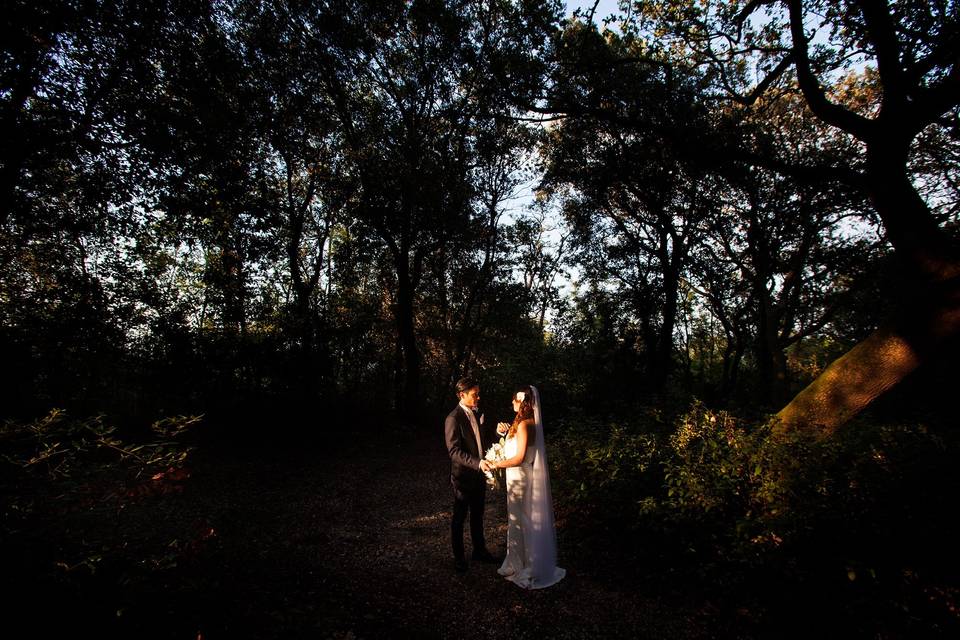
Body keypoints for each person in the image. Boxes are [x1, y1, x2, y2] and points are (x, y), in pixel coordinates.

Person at [488, 385, 565, 589]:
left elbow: (520, 457)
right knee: (519, 520)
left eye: (514, 400)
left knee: (522, 521)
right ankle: (516, 561)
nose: (511, 403)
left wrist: (496, 463)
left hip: (520, 477)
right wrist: (500, 435)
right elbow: (511, 447)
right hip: (518, 477)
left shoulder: (524, 424)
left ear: (521, 401)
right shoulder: (523, 422)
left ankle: (528, 565)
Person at [444, 377, 501, 573]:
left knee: (478, 514)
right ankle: (459, 558)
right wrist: (478, 463)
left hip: (479, 476)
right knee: (459, 518)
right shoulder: (453, 418)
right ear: (462, 395)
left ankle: (479, 551)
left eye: (478, 392)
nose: (478, 396)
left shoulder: (479, 413)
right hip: (463, 477)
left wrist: (498, 432)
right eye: (474, 393)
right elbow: (454, 452)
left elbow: (484, 439)